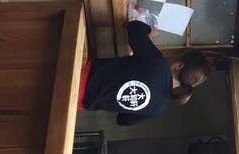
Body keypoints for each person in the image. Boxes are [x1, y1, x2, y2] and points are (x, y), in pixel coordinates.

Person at [78, 20, 210, 125]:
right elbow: (123, 121)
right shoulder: (158, 108)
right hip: (79, 102)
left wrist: (150, 31)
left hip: (80, 74)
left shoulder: (158, 63)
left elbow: (134, 27)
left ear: (179, 65)